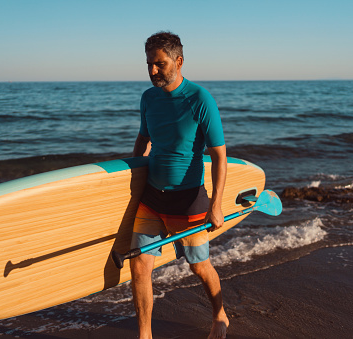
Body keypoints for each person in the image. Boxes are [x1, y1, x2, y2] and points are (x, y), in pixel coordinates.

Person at [130, 31, 229, 339]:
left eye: (159, 64)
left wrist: (216, 205)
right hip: (151, 199)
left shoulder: (200, 99)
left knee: (199, 266)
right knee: (140, 266)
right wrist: (131, 176)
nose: (152, 71)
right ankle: (144, 335)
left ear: (179, 61)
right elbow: (144, 139)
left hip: (188, 200)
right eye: (148, 64)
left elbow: (219, 157)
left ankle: (220, 315)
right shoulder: (148, 98)